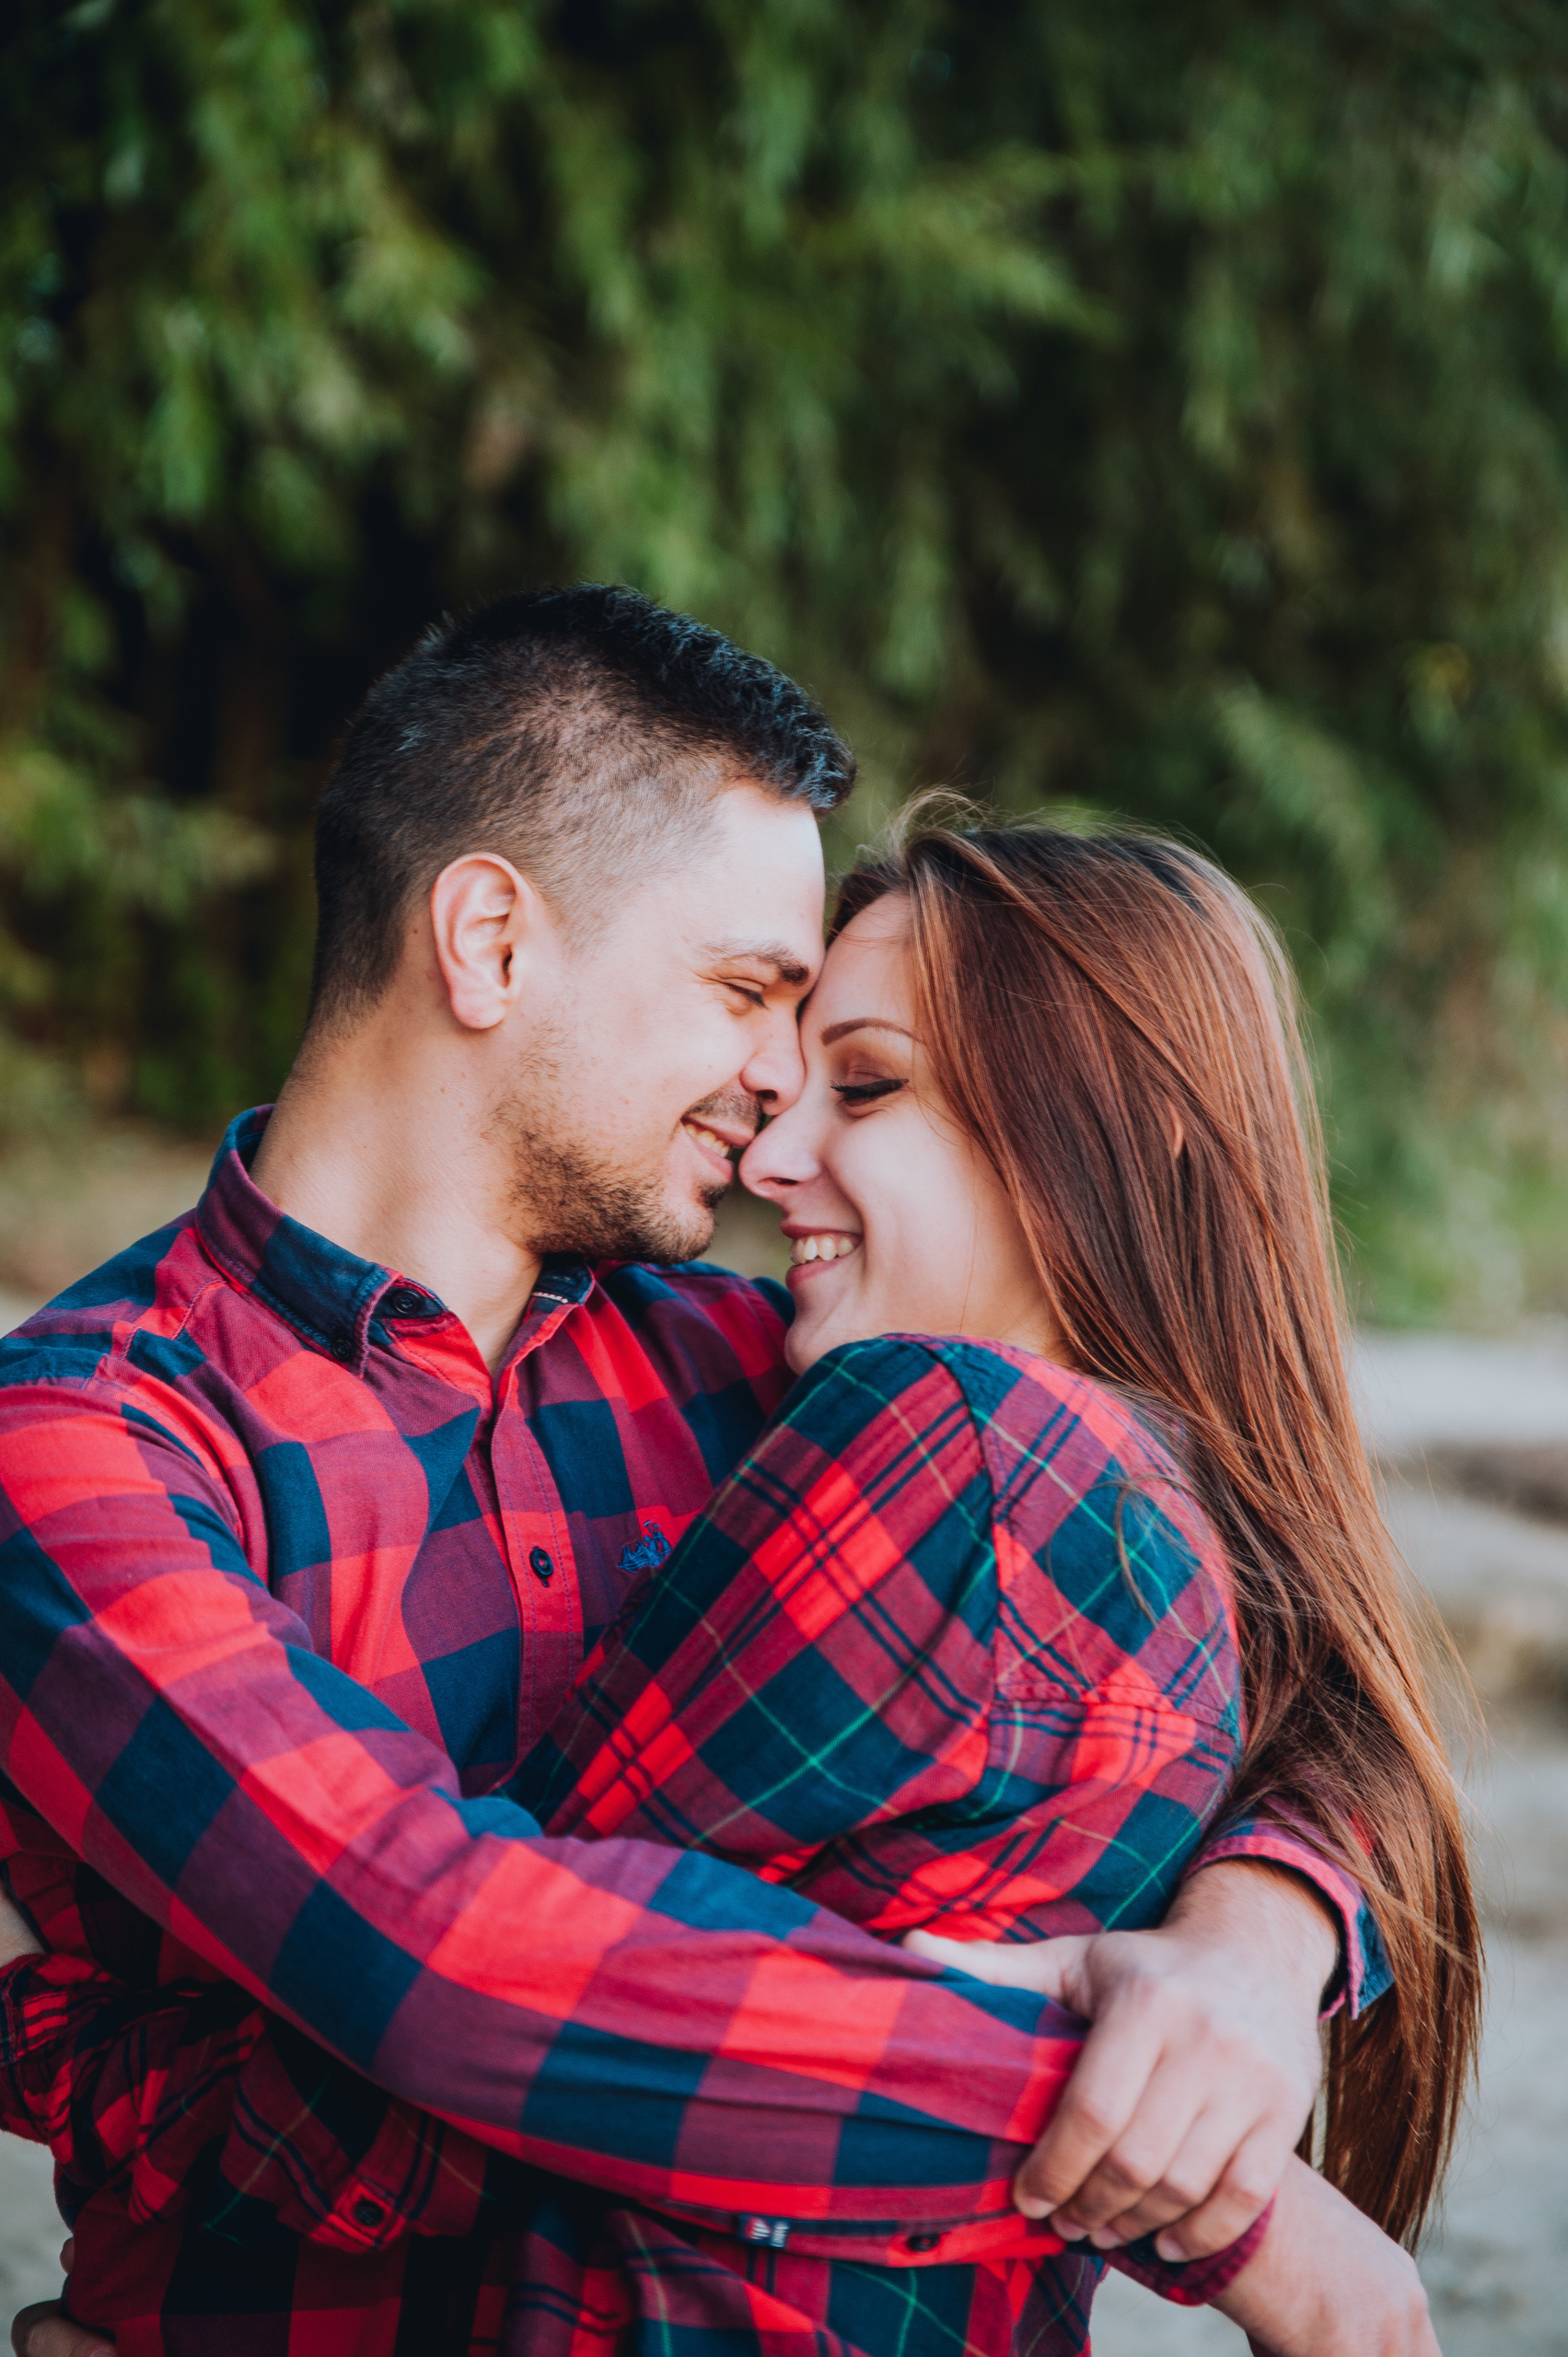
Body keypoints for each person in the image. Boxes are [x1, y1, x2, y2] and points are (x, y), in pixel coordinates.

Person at [0, 592, 1420, 2357]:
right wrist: (1225, 2206)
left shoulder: (780, 1378)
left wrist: (1255, 1953)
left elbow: (1283, 1639)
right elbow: (431, 1958)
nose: (773, 1094)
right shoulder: (90, 1438)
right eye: (749, 991)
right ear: (493, 942)